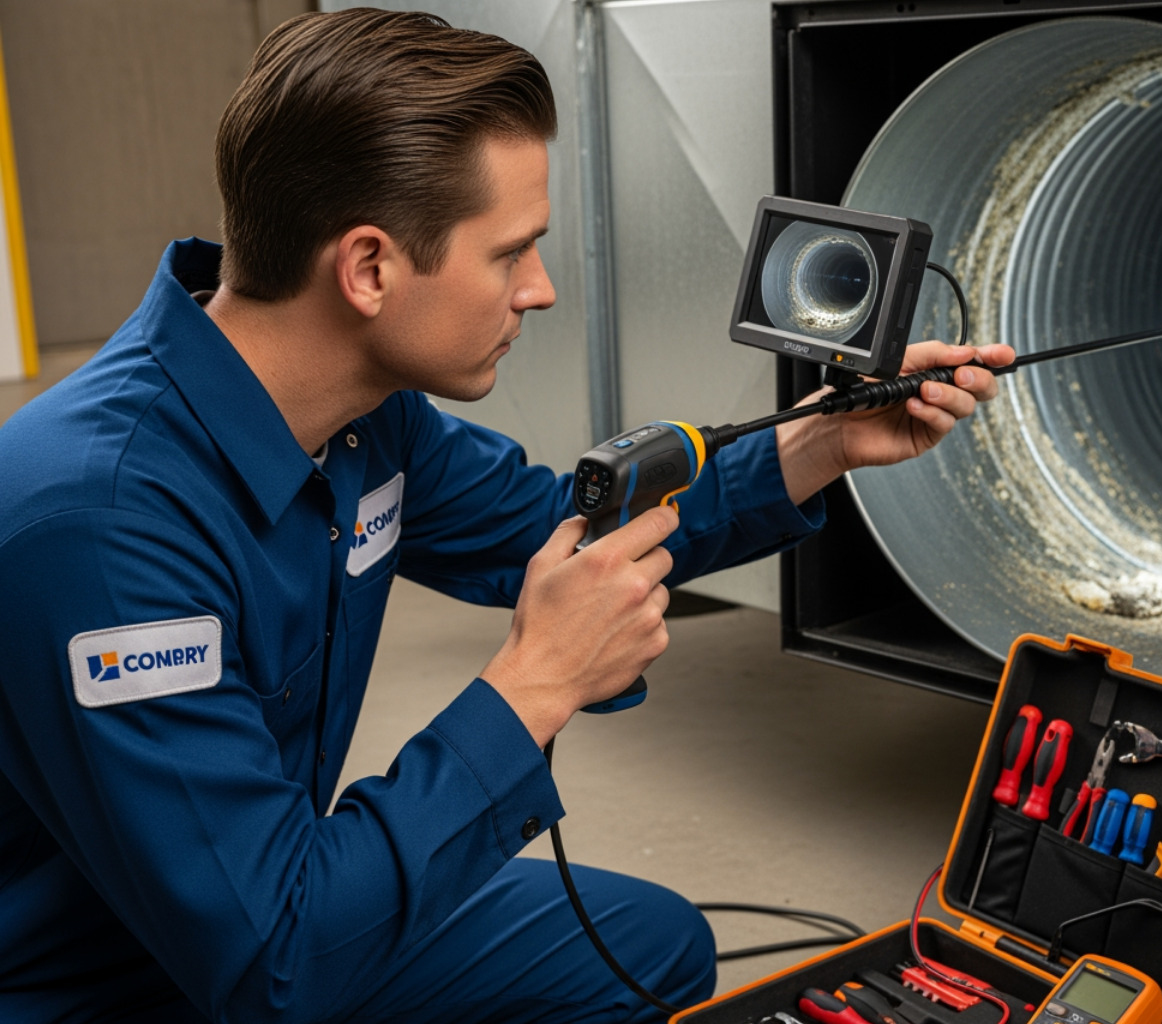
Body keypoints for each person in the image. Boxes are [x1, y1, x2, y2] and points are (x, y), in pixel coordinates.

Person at [0, 9, 1012, 1023]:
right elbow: (275, 963)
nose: (541, 289)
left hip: (257, 904)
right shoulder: (98, 528)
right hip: (115, 980)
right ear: (368, 268)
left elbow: (559, 525)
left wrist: (821, 439)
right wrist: (537, 681)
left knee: (650, 948)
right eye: (510, 252)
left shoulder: (363, 420)